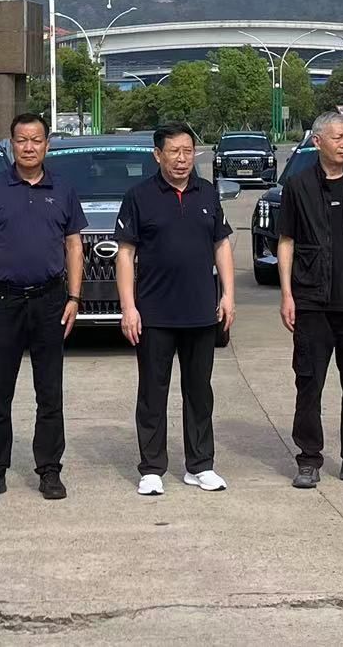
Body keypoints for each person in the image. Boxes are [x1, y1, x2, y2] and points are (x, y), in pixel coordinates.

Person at [0, 113, 86, 502]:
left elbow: (74, 246)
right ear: (11, 144)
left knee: (49, 392)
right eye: (22, 140)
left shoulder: (63, 189)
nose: (29, 147)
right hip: (3, 302)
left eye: (36, 140)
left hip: (51, 301)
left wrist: (73, 297)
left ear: (47, 145)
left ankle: (49, 470)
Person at [114, 122, 236, 496]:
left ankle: (200, 466)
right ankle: (152, 468)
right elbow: (125, 253)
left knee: (199, 392)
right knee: (153, 393)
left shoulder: (207, 193)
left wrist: (229, 295)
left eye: (188, 151)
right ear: (158, 155)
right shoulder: (139, 196)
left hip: (201, 311)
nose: (182, 159)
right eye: (174, 151)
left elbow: (222, 245)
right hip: (154, 313)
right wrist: (128, 307)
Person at [276, 111, 343, 489]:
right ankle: (309, 459)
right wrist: (287, 294)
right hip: (311, 302)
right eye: (338, 137)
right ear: (317, 141)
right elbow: (286, 241)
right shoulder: (298, 186)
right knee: (309, 384)